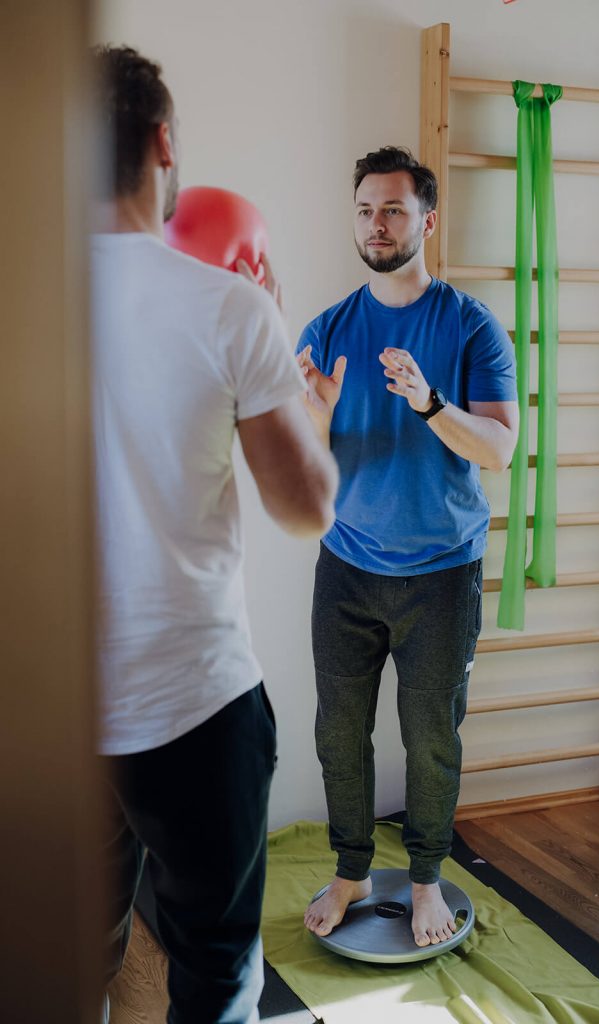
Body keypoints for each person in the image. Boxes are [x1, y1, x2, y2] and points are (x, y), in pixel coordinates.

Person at [91, 46, 338, 1024]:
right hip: (194, 705)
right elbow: (304, 506)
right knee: (214, 972)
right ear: (162, 143)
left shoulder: (19, 297)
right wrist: (283, 376)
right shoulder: (230, 306)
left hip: (48, 705)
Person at [298, 146, 519, 948]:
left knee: (430, 736)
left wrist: (430, 403)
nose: (376, 223)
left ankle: (426, 879)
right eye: (364, 208)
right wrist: (316, 417)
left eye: (392, 209)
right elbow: (305, 471)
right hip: (348, 567)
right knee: (337, 730)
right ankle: (351, 870)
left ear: (426, 218)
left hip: (440, 575)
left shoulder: (467, 324)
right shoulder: (327, 329)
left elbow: (497, 448)